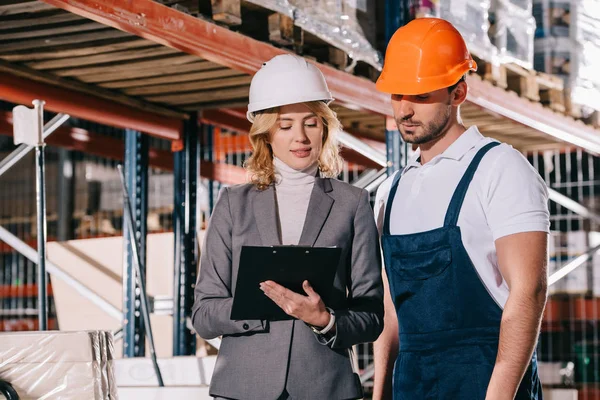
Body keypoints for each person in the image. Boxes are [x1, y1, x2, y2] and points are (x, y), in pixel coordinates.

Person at [371, 18, 549, 400]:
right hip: (412, 386)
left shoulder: (499, 168)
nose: (404, 110)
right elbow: (392, 313)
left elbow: (528, 292)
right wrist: (380, 393)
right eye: (397, 95)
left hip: (484, 383)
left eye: (420, 97)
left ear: (458, 92)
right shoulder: (391, 191)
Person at [192, 54, 384, 400]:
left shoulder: (353, 204)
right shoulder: (234, 203)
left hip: (325, 388)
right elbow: (204, 314)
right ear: (266, 133)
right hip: (243, 388)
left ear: (325, 126)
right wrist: (258, 306)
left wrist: (324, 319)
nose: (301, 137)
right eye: (285, 126)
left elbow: (371, 316)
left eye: (311, 122)